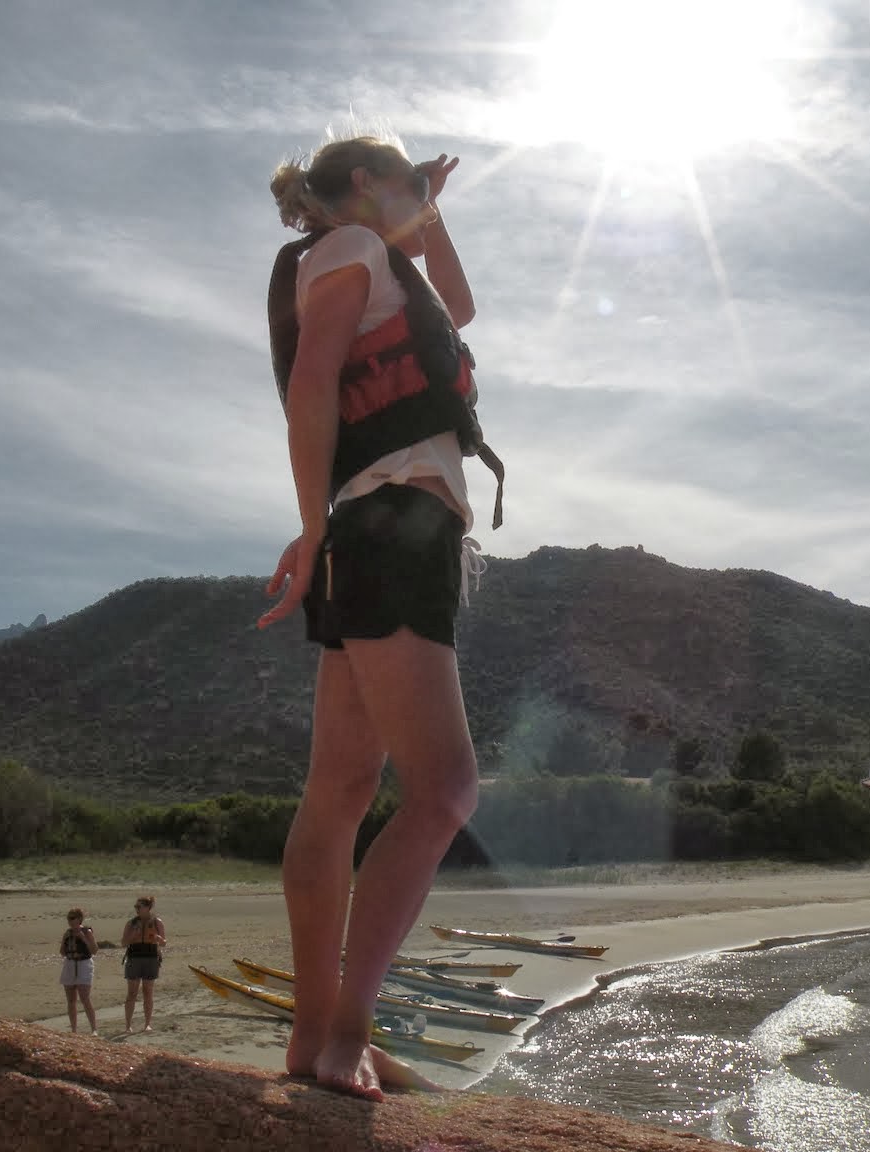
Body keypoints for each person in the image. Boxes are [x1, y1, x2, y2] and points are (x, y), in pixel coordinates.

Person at [259, 133, 494, 1100]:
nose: (418, 203)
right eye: (402, 186)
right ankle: (349, 1031)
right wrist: (310, 527)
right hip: (390, 522)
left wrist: (425, 210)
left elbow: (464, 307)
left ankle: (316, 1038)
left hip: (370, 522)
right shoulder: (349, 253)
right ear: (365, 185)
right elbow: (314, 381)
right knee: (443, 793)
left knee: (343, 789)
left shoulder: (367, 255)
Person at [121, 895, 166, 1033]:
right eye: (136, 907)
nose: (137, 909)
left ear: (147, 908)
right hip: (134, 958)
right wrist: (133, 935)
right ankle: (128, 1025)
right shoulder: (131, 923)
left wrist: (158, 939)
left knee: (148, 992)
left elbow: (164, 943)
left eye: (139, 907)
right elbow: (123, 943)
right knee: (132, 993)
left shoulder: (157, 922)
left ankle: (147, 1024)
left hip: (151, 958)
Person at [58, 908, 98, 1034]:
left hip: (84, 964)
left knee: (85, 997)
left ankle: (94, 1029)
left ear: (79, 919)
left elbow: (94, 950)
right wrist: (66, 944)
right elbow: (62, 952)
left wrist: (83, 938)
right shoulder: (68, 933)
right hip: (70, 964)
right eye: (68, 918)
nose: (70, 921)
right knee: (71, 1000)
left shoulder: (87, 931)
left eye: (73, 918)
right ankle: (74, 1029)